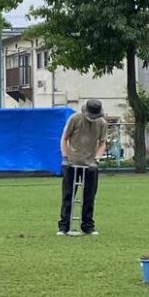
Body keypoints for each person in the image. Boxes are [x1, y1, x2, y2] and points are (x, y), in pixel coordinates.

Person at [57, 99, 107, 236]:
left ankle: (88, 226)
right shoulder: (75, 119)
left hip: (90, 164)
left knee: (89, 196)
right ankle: (64, 226)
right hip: (72, 162)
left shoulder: (102, 123)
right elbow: (65, 138)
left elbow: (102, 143)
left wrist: (96, 159)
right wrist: (65, 157)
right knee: (68, 195)